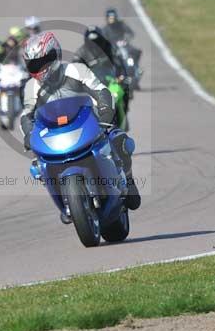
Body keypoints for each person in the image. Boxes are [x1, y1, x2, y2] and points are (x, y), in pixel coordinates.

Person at [20, 31, 141, 211]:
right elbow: (26, 115)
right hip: (55, 133)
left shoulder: (75, 69)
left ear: (56, 54)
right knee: (38, 166)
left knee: (119, 139)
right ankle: (66, 201)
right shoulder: (31, 86)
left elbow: (101, 91)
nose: (42, 67)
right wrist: (29, 134)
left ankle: (128, 180)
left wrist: (106, 113)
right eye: (36, 64)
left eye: (46, 60)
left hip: (89, 122)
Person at [75, 26, 131, 122]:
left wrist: (122, 75)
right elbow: (75, 70)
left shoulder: (109, 48)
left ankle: (123, 116)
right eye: (91, 42)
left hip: (110, 81)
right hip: (91, 85)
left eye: (97, 41)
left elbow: (119, 63)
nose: (94, 45)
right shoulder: (81, 53)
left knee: (121, 91)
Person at [0, 26, 27, 108]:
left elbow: (22, 60)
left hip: (15, 70)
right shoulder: (1, 46)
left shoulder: (19, 48)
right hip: (2, 69)